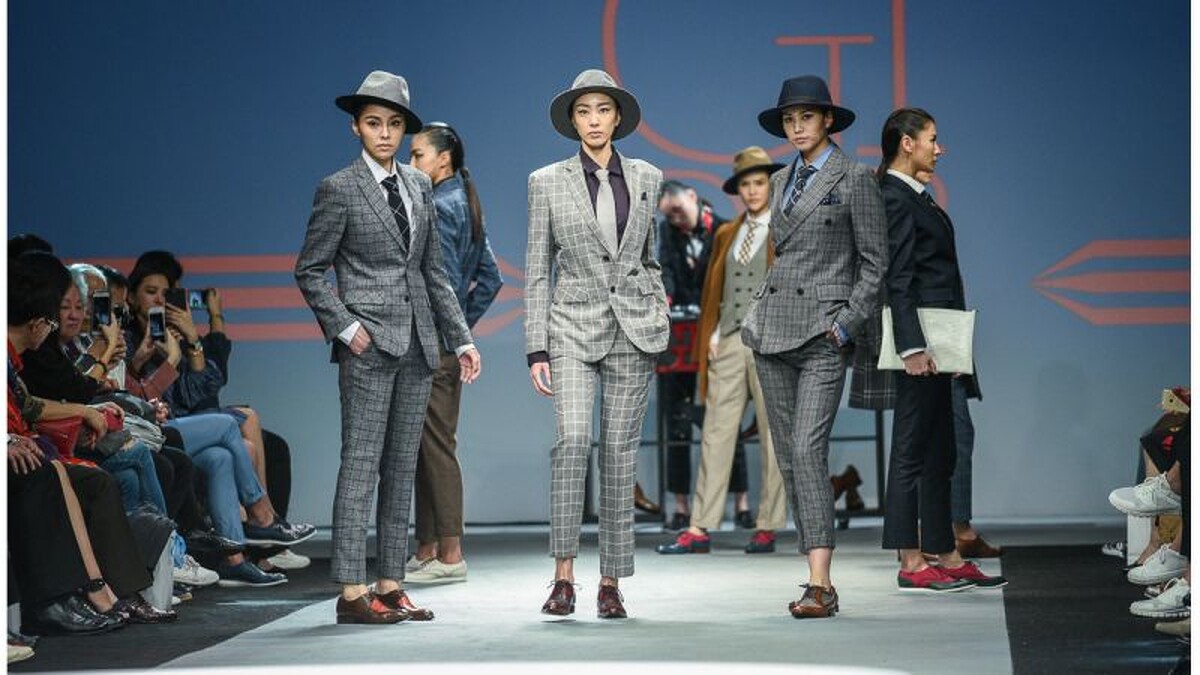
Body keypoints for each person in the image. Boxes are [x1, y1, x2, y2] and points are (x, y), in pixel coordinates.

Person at [295, 70, 480, 624]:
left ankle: (391, 583)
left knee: (401, 469)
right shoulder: (339, 188)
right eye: (374, 123)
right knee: (360, 466)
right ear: (355, 127)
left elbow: (432, 271)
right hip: (368, 347)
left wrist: (461, 338)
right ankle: (352, 592)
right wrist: (345, 327)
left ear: (403, 130)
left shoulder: (419, 186)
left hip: (420, 345)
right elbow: (309, 270)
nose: (384, 133)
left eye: (394, 124)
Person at [525, 69, 669, 619]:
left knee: (618, 452)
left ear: (617, 117)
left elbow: (649, 258)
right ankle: (563, 576)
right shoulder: (546, 181)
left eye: (602, 110)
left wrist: (656, 307)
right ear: (572, 120)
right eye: (583, 111)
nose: (593, 120)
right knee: (572, 440)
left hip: (633, 327)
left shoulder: (648, 176)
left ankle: (611, 581)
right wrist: (536, 347)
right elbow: (537, 268)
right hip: (571, 325)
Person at [742, 75, 887, 618]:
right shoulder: (781, 179)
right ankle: (814, 578)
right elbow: (782, 257)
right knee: (788, 456)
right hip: (772, 331)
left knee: (806, 449)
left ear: (828, 120)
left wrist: (846, 324)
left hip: (824, 333)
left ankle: (821, 582)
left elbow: (875, 262)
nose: (797, 127)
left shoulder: (855, 179)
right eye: (789, 119)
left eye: (806, 116)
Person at [876, 107, 1004, 591]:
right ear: (907, 143)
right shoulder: (893, 196)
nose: (939, 147)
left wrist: (951, 350)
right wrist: (912, 347)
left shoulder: (915, 195)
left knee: (941, 449)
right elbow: (899, 278)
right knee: (911, 448)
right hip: (921, 342)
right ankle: (911, 561)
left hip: (940, 340)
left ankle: (945, 552)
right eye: (932, 138)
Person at [657, 147, 787, 556]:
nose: (752, 191)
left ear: (771, 185)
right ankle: (699, 526)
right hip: (730, 338)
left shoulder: (786, 228)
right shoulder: (728, 233)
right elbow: (717, 288)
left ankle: (767, 525)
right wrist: (712, 333)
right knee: (715, 432)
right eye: (745, 184)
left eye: (759, 183)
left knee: (772, 434)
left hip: (772, 341)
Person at [405, 122, 503, 584]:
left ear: (443, 159)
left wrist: (452, 331)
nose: (410, 163)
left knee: (436, 449)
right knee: (428, 447)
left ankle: (449, 555)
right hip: (443, 342)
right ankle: (428, 549)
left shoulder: (441, 206)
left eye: (417, 155)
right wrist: (461, 328)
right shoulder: (465, 200)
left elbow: (438, 284)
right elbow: (491, 278)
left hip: (433, 346)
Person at [656, 180, 751, 529]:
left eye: (678, 211)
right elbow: (665, 270)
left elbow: (732, 279)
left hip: (717, 333)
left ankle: (741, 503)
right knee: (677, 424)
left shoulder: (724, 229)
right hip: (679, 337)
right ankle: (681, 506)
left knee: (725, 420)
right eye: (668, 215)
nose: (675, 219)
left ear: (693, 197)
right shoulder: (667, 233)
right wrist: (665, 302)